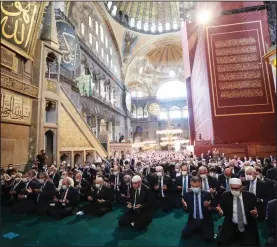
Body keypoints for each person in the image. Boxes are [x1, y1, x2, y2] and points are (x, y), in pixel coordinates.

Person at [216, 178, 260, 246]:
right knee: (222, 242)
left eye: (236, 188)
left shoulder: (251, 196)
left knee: (250, 244)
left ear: (241, 187)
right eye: (232, 188)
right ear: (230, 187)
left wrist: (255, 215)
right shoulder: (225, 195)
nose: (234, 190)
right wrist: (221, 212)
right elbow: (223, 211)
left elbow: (259, 212)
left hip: (247, 224)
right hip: (231, 222)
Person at [181, 176, 214, 242]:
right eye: (193, 186)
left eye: (197, 186)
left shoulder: (207, 194)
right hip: (193, 219)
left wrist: (208, 206)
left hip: (205, 219)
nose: (195, 188)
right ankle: (196, 227)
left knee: (209, 238)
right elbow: (186, 210)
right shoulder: (187, 195)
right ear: (190, 185)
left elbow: (213, 208)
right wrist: (185, 207)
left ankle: (201, 228)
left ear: (200, 184)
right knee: (185, 234)